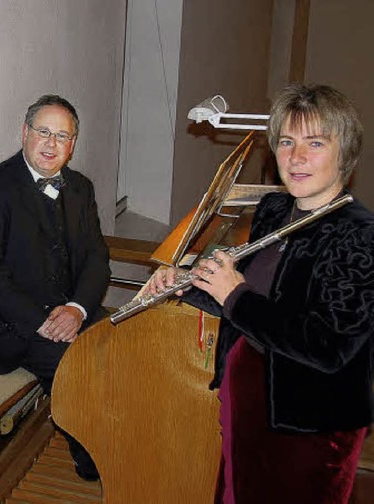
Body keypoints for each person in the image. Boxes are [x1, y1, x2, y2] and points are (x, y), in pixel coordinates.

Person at [146, 83, 374, 503]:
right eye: (286, 141)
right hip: (249, 396)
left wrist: (235, 295)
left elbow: (329, 347)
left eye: (315, 143)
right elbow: (247, 291)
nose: (296, 157)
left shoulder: (358, 235)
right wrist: (185, 285)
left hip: (308, 424)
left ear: (345, 154)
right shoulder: (275, 209)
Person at [0, 94, 111, 479]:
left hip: (66, 312)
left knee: (120, 344)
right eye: (43, 131)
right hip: (9, 324)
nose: (51, 143)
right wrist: (43, 322)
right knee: (77, 367)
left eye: (63, 136)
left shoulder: (81, 188)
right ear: (24, 133)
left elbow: (97, 258)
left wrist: (77, 309)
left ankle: (121, 438)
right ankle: (96, 462)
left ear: (73, 145)